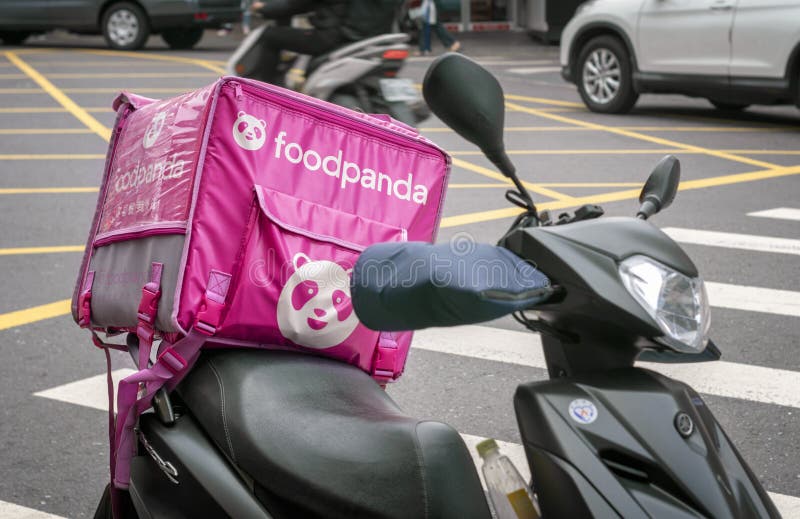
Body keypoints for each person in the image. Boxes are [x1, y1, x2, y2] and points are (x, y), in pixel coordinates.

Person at [251, 0, 400, 84]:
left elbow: (297, 5)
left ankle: (269, 89)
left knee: (269, 36)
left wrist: (265, 8)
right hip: (376, 39)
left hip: (339, 36)